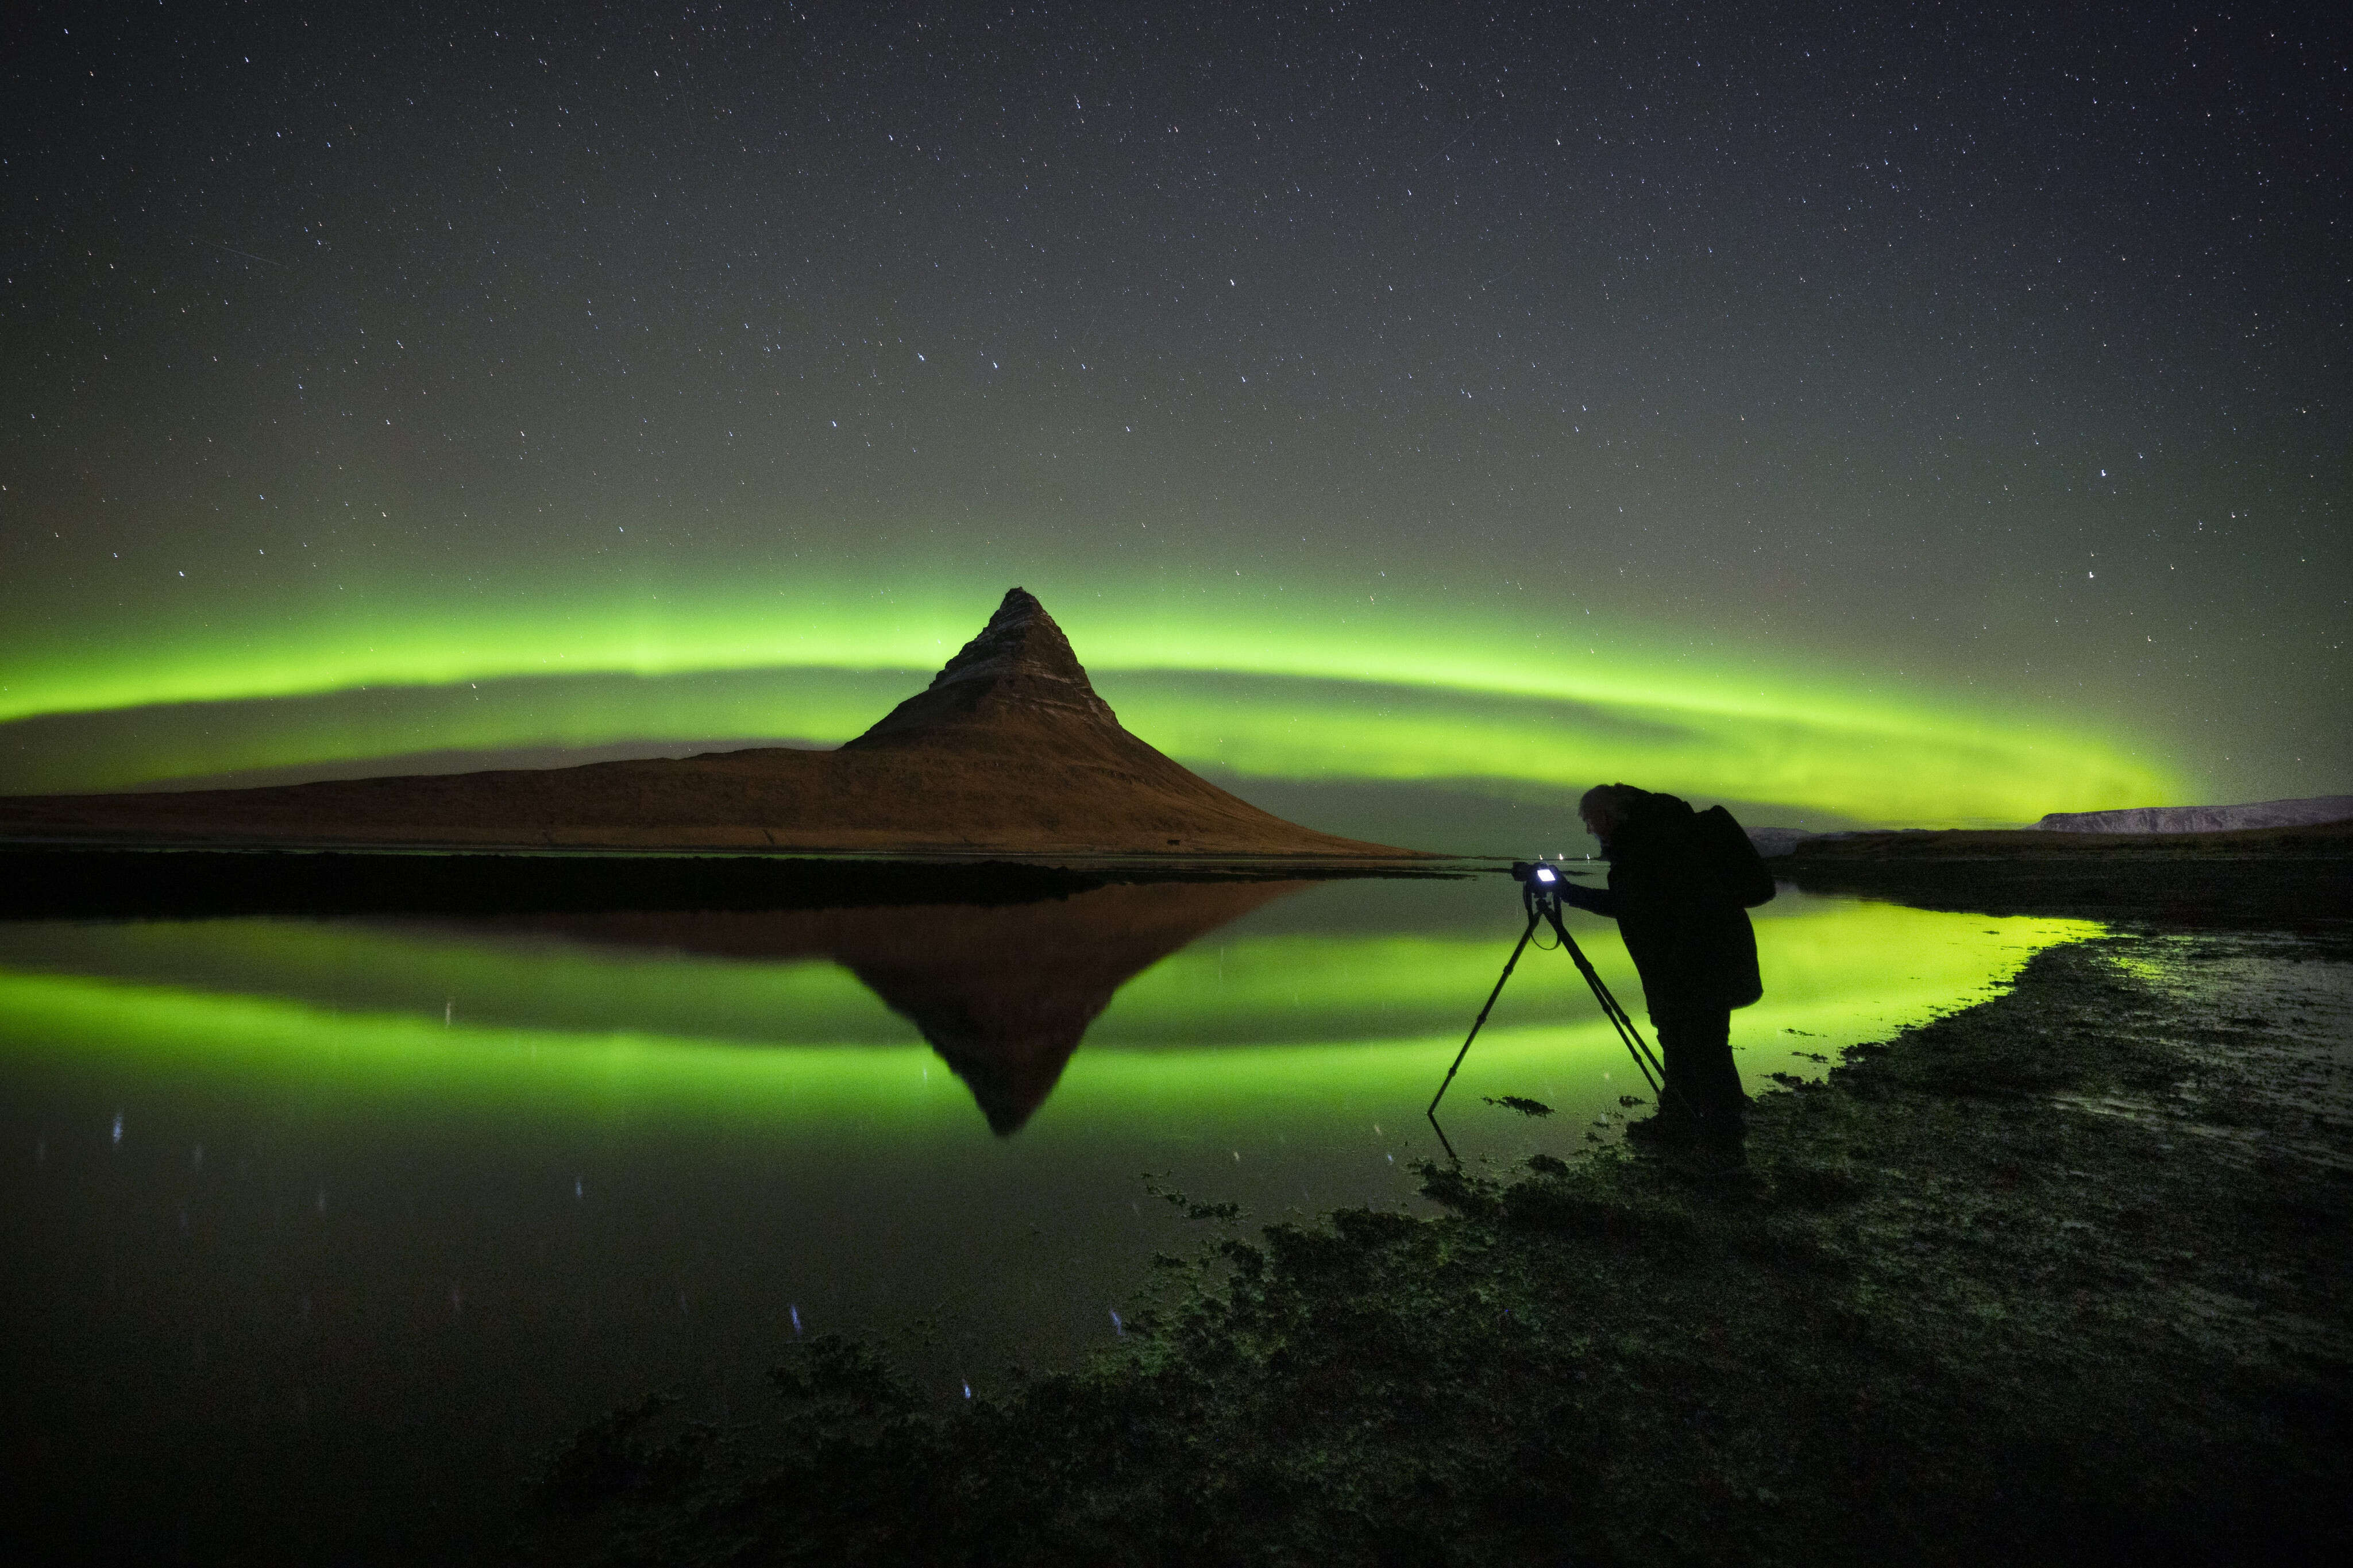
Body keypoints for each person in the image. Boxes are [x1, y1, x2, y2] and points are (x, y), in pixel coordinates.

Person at [1555, 783, 1768, 1155]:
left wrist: (1568, 892)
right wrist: (1569, 892)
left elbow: (1636, 906)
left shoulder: (1649, 842)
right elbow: (1638, 905)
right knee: (1687, 1042)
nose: (1591, 831)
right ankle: (1687, 1124)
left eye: (1590, 822)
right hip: (1693, 961)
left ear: (1607, 815)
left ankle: (1723, 1143)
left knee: (1703, 1047)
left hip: (1693, 964)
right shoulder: (1656, 833)